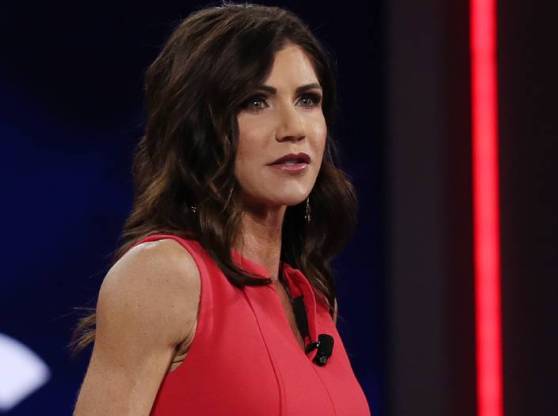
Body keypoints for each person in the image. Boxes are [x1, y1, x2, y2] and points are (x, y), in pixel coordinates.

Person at [71, 3, 370, 415]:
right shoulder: (163, 276)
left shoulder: (313, 300)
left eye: (307, 99)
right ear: (199, 126)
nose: (294, 128)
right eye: (255, 102)